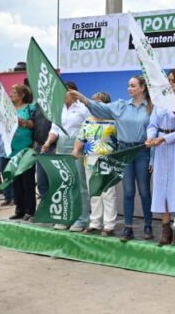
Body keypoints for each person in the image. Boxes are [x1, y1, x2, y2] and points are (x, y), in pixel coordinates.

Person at [73, 76, 154, 242]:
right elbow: (100, 109)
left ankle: (148, 225)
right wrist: (83, 99)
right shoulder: (121, 106)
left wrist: (152, 157)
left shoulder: (151, 108)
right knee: (129, 191)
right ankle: (128, 227)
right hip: (124, 151)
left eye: (132, 86)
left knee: (145, 191)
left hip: (142, 150)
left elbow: (156, 130)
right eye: (128, 86)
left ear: (142, 88)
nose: (129, 89)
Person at [146, 69, 175, 246]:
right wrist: (151, 137)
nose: (170, 83)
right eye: (168, 80)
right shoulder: (159, 103)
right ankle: (166, 228)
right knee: (162, 187)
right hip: (160, 149)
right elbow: (152, 124)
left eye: (173, 80)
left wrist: (163, 139)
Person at [41, 81, 90, 232]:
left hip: (77, 146)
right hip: (61, 145)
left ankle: (82, 219)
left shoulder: (82, 108)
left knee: (79, 184)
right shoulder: (58, 108)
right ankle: (67, 217)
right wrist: (48, 143)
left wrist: (79, 146)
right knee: (65, 183)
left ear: (72, 92)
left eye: (63, 91)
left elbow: (89, 127)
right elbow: (54, 128)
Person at [74, 92, 118, 236]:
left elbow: (120, 140)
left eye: (97, 103)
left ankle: (109, 225)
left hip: (107, 160)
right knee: (94, 191)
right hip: (90, 159)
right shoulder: (87, 121)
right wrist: (76, 150)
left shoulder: (113, 121)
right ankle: (95, 222)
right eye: (92, 103)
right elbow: (80, 138)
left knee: (107, 192)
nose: (94, 106)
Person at [8, 84, 37, 221]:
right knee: (16, 182)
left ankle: (30, 211)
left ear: (22, 95)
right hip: (12, 150)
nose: (10, 94)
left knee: (27, 182)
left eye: (13, 92)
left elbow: (34, 124)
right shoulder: (8, 109)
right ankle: (19, 209)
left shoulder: (30, 108)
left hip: (26, 149)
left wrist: (23, 122)